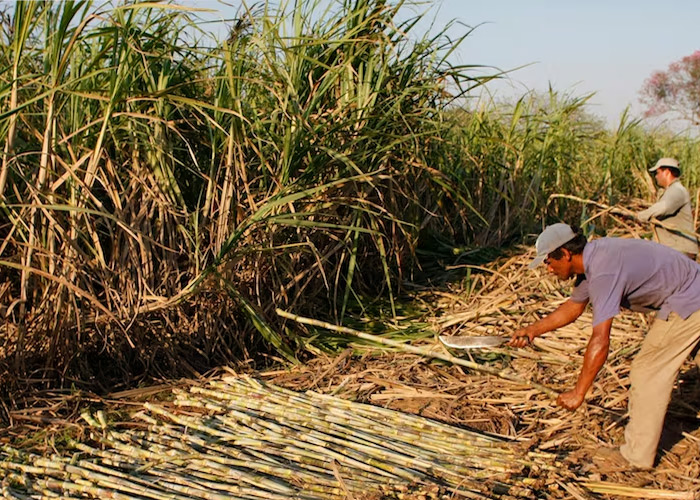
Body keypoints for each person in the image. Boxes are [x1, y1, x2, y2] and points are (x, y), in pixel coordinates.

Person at [509, 223, 700, 470]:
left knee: (647, 371)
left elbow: (600, 339)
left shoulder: (603, 271)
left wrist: (579, 392)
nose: (547, 269)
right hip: (693, 289)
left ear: (565, 254)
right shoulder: (594, 259)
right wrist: (531, 331)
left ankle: (636, 457)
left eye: (548, 261)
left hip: (688, 300)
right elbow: (574, 307)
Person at [637, 157, 698, 260]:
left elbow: (663, 207)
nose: (656, 176)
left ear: (667, 172)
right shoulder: (670, 191)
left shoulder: (677, 190)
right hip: (673, 250)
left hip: (680, 251)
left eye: (658, 172)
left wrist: (639, 216)